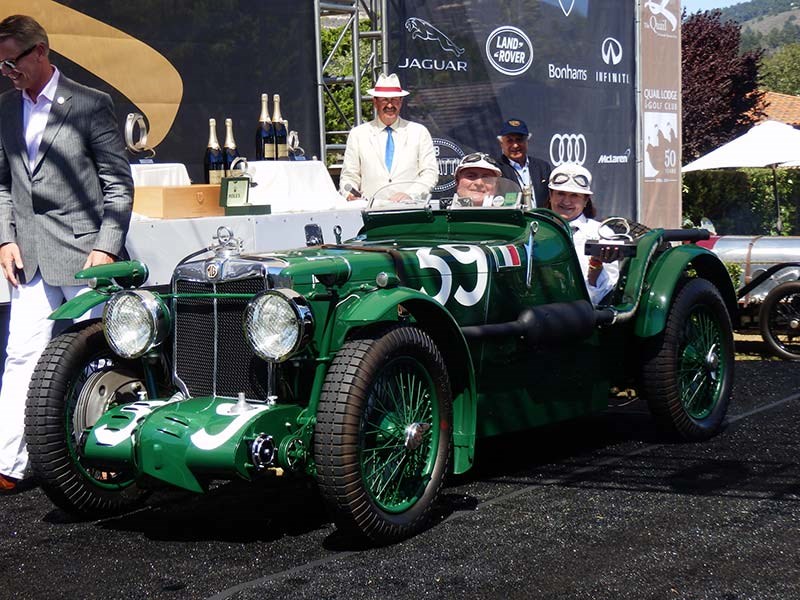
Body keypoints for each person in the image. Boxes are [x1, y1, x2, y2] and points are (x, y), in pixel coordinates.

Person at [0, 15, 133, 492]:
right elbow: (2, 184)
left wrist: (105, 248)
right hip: (29, 258)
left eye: (12, 61)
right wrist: (5, 237)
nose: (6, 71)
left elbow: (119, 186)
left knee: (96, 360)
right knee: (21, 354)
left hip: (85, 257)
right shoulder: (4, 109)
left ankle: (104, 452)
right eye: (0, 64)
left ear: (40, 52)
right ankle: (8, 465)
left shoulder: (92, 105)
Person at [339, 73, 438, 200]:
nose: (390, 105)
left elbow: (430, 173)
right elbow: (349, 175)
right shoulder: (358, 134)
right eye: (384, 100)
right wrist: (349, 193)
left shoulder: (418, 132)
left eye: (394, 100)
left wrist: (410, 194)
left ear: (401, 102)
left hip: (410, 209)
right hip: (370, 211)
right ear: (375, 102)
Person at [546, 163, 619, 305]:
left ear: (585, 200)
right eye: (560, 193)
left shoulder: (602, 233)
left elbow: (605, 293)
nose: (566, 201)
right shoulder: (534, 230)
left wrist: (596, 266)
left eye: (574, 195)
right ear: (550, 195)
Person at [494, 118, 551, 209]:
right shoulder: (496, 169)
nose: (515, 145)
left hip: (541, 220)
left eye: (519, 140)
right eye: (510, 141)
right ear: (501, 143)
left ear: (527, 141)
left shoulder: (543, 167)